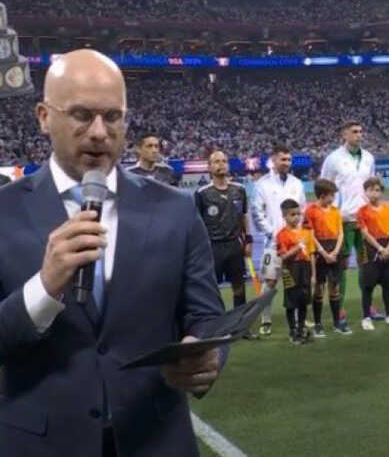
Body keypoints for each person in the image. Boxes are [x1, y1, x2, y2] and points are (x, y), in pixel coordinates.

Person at [0, 49, 224, 456]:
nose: (100, 132)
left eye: (113, 116)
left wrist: (208, 354)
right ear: (43, 117)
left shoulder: (175, 209)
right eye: (82, 115)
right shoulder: (4, 212)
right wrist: (43, 290)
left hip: (155, 438)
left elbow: (206, 314)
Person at [319, 120, 378, 320]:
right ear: (344, 134)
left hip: (364, 220)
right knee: (341, 267)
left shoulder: (369, 158)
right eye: (354, 132)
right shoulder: (333, 159)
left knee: (366, 265)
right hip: (343, 220)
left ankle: (368, 304)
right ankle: (339, 306)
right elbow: (323, 187)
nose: (359, 135)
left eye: (361, 131)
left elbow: (372, 186)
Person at [195, 151, 254, 337]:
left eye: (224, 161)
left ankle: (240, 327)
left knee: (239, 287)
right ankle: (216, 327)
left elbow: (244, 216)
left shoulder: (239, 189)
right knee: (212, 290)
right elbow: (196, 223)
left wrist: (248, 239)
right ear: (209, 167)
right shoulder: (202, 194)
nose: (221, 164)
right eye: (216, 162)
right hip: (212, 247)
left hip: (234, 246)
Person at [251, 144, 306, 336]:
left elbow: (303, 210)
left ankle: (299, 319)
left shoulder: (297, 184)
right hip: (272, 244)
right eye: (283, 159)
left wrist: (296, 235)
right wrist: (272, 234)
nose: (287, 163)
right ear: (273, 160)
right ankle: (265, 319)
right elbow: (257, 214)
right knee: (270, 282)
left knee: (297, 282)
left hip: (294, 244)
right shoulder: (262, 184)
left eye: (289, 160)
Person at [304, 178, 351, 336]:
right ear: (322, 195)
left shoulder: (335, 211)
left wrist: (336, 251)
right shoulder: (310, 211)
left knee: (334, 288)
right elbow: (310, 234)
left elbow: (340, 232)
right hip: (319, 252)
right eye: (331, 195)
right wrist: (323, 252)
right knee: (319, 289)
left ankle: (337, 322)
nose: (333, 198)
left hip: (334, 250)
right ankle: (318, 324)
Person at [357, 177, 389, 331]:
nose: (374, 193)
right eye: (371, 190)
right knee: (367, 286)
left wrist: (388, 248)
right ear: (366, 192)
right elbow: (364, 233)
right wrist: (379, 249)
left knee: (387, 285)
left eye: (377, 190)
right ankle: (366, 317)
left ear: (382, 192)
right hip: (371, 249)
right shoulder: (362, 211)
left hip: (388, 248)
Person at [276, 198, 315, 345]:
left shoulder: (306, 232)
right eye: (292, 214)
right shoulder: (281, 235)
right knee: (291, 302)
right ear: (284, 216)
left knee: (303, 301)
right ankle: (292, 331)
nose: (297, 217)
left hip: (305, 269)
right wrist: (297, 248)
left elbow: (311, 254)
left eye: (298, 214)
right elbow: (284, 256)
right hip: (290, 271)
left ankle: (301, 329)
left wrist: (313, 275)